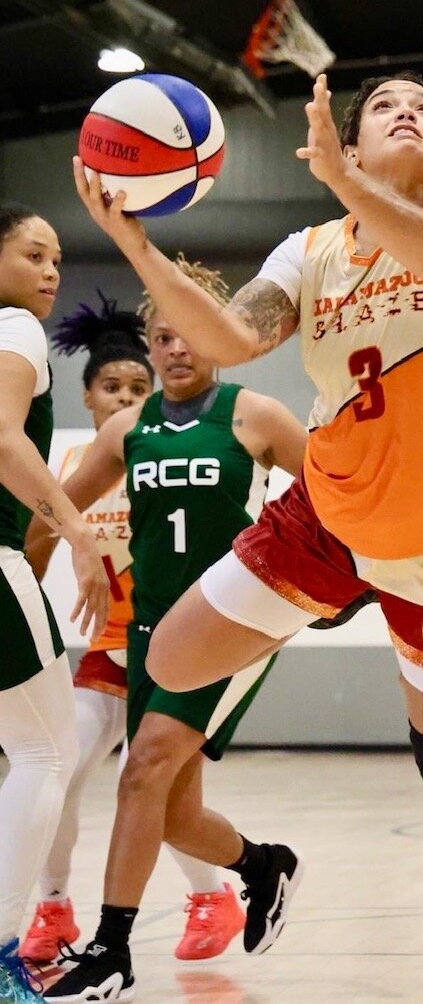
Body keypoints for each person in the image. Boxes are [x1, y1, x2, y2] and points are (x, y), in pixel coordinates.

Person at [70, 70, 423, 1004]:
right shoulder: (311, 246)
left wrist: (348, 184)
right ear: (350, 147)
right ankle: (323, 599)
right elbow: (235, 337)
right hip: (330, 513)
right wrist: (133, 240)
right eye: (383, 108)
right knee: (183, 656)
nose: (409, 112)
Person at [43, 255, 310, 1004]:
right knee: (171, 813)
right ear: (151, 345)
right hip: (153, 630)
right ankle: (262, 865)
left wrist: (311, 594)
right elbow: (56, 506)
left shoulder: (255, 414)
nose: (179, 347)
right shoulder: (129, 429)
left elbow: (334, 496)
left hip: (232, 622)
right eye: (164, 335)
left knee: (141, 769)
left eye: (193, 331)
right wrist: (80, 548)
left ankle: (110, 948)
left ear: (219, 338)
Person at [21, 292, 254, 965]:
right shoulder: (73, 474)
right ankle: (54, 906)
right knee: (62, 777)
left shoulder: (178, 445)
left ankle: (212, 895)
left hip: (176, 640)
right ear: (88, 396)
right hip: (108, 647)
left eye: (136, 387)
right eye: (110, 387)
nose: (124, 397)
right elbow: (39, 538)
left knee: (151, 783)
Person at [0, 203, 109, 1003]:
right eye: (33, 253)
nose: (51, 270)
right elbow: (4, 439)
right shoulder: (16, 330)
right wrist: (75, 529)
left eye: (57, 256)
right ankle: (5, 952)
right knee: (47, 752)